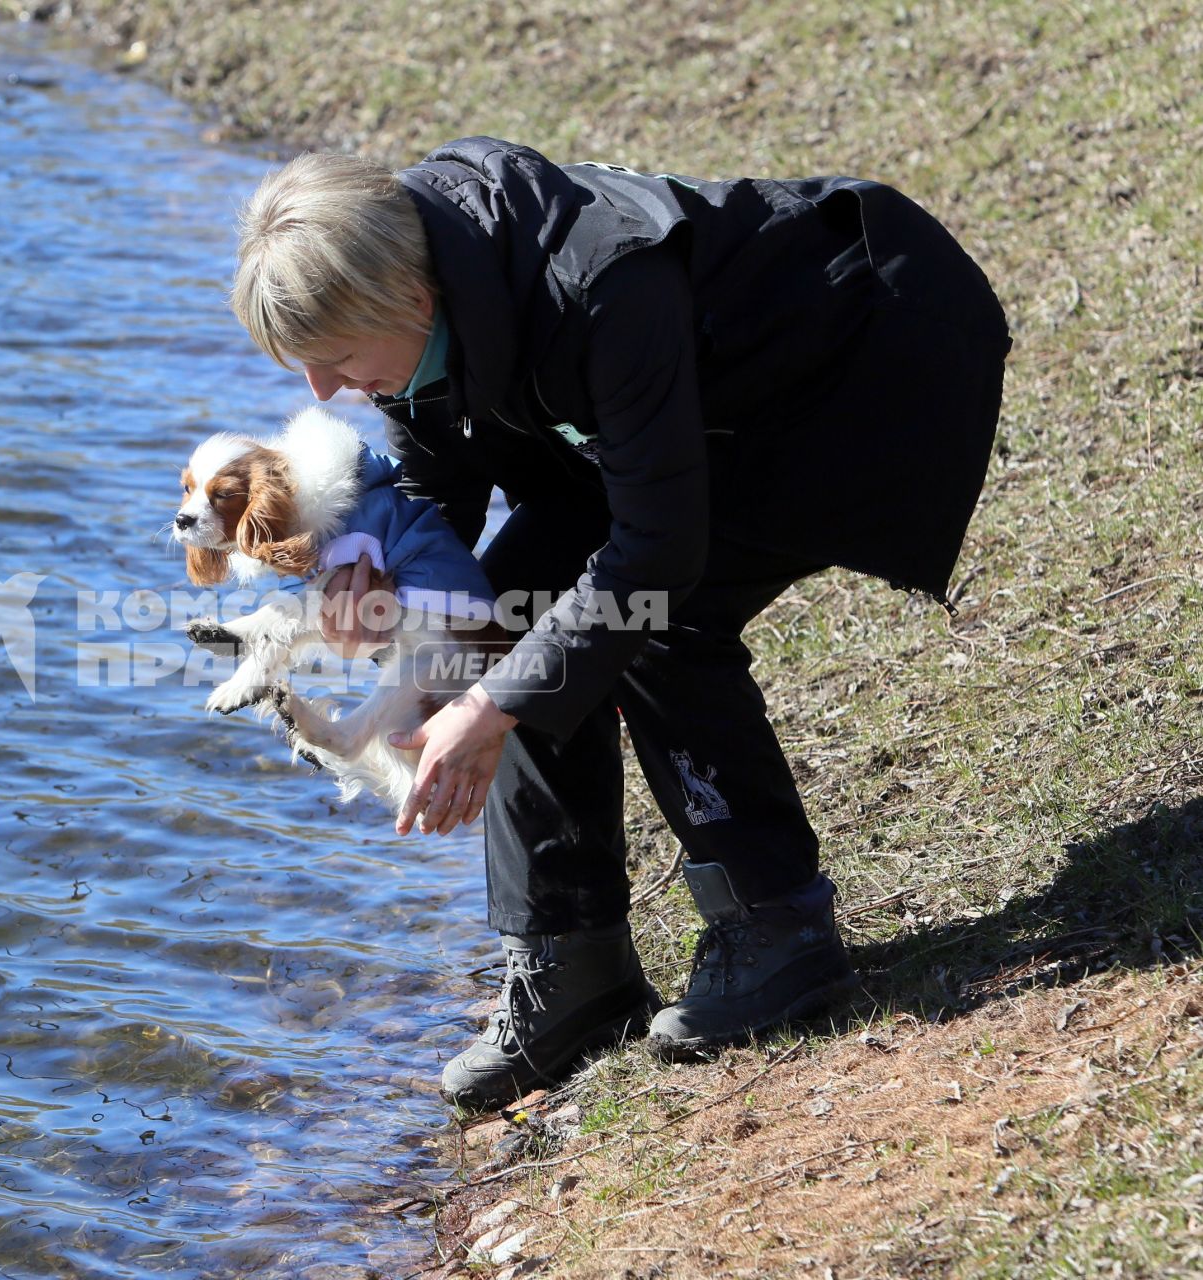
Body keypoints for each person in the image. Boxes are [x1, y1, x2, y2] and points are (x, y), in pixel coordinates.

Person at [228, 137, 1010, 1110]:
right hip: (688, 417)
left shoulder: (601, 282)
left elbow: (654, 554)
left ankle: (775, 928)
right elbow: (437, 491)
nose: (320, 391)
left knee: (649, 616)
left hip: (865, 366)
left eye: (335, 359)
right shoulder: (420, 292)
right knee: (498, 616)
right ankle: (573, 969)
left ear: (407, 302)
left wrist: (491, 706)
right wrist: (375, 566)